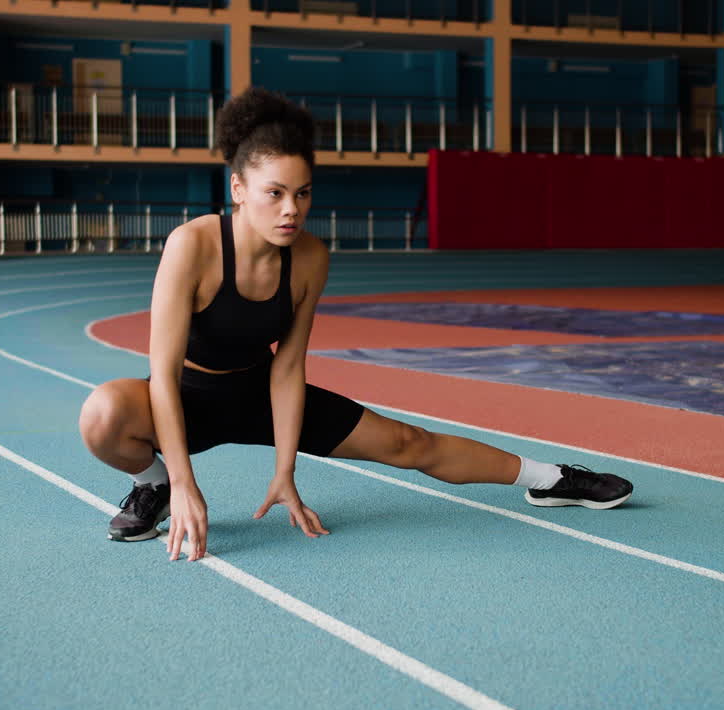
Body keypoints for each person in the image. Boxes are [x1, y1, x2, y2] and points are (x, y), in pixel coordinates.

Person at [78, 88, 633, 562]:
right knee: (103, 413)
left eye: (303, 193)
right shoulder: (193, 246)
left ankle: (550, 479)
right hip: (187, 394)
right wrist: (181, 483)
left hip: (260, 391)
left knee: (408, 441)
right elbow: (164, 373)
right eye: (274, 193)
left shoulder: (310, 258)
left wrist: (285, 470)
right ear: (239, 189)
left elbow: (289, 368)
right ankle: (148, 485)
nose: (291, 209)